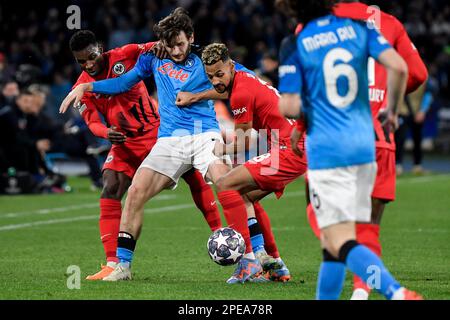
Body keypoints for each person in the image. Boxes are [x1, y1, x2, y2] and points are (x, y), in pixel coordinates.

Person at [60, 8, 267, 284]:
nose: (177, 51)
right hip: (168, 139)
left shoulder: (207, 58)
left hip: (203, 134)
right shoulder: (152, 58)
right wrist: (86, 88)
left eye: (181, 44)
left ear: (190, 37)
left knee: (226, 183)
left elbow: (241, 82)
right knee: (134, 192)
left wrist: (197, 95)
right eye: (170, 45)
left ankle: (251, 259)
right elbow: (123, 82)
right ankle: (122, 266)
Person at [284, 0, 428, 300]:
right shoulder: (361, 29)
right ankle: (360, 291)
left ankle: (395, 292)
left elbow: (289, 104)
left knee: (338, 239)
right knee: (340, 243)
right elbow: (402, 67)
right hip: (367, 144)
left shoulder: (300, 39)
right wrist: (391, 109)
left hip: (328, 149)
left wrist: (305, 111)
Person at [66, 29, 223, 280]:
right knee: (110, 187)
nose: (89, 63)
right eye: (81, 61)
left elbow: (158, 45)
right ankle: (113, 263)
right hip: (124, 142)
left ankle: (219, 231)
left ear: (100, 47)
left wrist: (160, 45)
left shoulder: (125, 54)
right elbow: (92, 122)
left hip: (155, 134)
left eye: (91, 56)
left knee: (194, 176)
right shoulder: (80, 88)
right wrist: (106, 133)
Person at [175, 43, 310, 282]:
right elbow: (224, 90)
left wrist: (219, 149)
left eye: (219, 74)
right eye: (209, 76)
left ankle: (248, 261)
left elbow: (245, 142)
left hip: (287, 150)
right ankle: (275, 265)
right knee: (244, 196)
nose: (215, 80)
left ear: (230, 66)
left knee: (226, 184)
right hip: (294, 147)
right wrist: (197, 96)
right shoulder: (243, 74)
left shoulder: (241, 94)